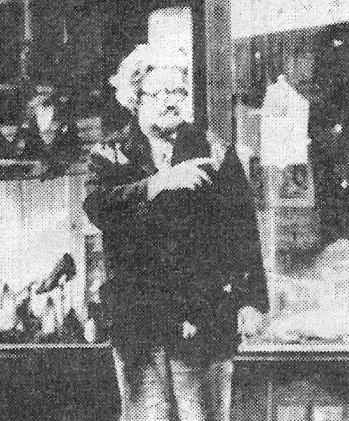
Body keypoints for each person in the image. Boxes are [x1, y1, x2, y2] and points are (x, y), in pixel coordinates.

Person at [84, 44, 268, 421]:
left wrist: (251, 299)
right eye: (159, 93)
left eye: (178, 92)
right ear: (135, 100)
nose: (171, 101)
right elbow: (98, 207)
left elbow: (242, 230)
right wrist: (157, 184)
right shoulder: (111, 155)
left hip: (203, 314)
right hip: (139, 320)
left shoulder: (214, 151)